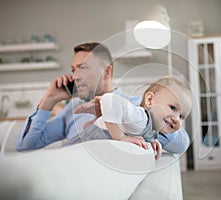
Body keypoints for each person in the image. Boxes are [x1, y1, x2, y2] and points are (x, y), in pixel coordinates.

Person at [15, 42, 190, 154]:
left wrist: (124, 123)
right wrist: (49, 101)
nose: (75, 76)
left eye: (82, 68)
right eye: (73, 69)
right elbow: (25, 146)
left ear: (106, 72)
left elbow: (182, 144)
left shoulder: (134, 106)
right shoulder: (73, 108)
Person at [92, 76, 192, 160]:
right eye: (172, 108)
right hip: (89, 140)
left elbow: (144, 132)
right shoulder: (141, 117)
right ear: (149, 100)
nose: (176, 119)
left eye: (181, 116)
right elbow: (109, 99)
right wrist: (121, 137)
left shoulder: (152, 128)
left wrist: (152, 141)